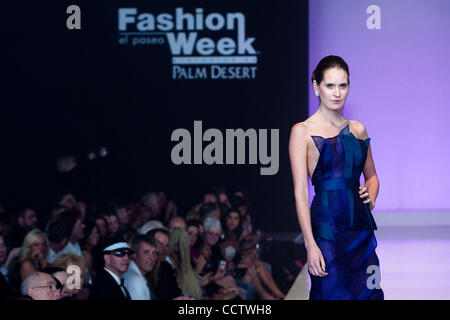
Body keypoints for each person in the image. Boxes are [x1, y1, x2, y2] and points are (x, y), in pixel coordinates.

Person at [288, 55, 383, 300]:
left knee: (366, 293)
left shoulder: (358, 129)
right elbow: (300, 190)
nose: (337, 92)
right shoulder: (302, 131)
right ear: (316, 86)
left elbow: (372, 177)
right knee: (330, 293)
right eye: (330, 85)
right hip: (326, 227)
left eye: (343, 85)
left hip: (360, 227)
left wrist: (370, 197)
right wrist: (310, 244)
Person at [88, 236, 134, 300]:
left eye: (129, 254)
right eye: (120, 253)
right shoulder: (103, 287)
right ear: (107, 258)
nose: (126, 258)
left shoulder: (112, 282)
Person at [123, 235, 157, 300]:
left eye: (154, 253)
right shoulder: (136, 280)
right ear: (134, 254)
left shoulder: (131, 273)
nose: (152, 258)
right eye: (146, 252)